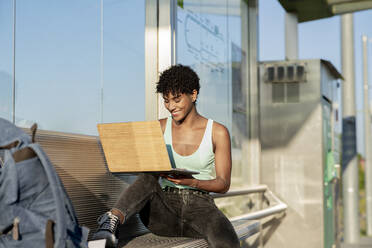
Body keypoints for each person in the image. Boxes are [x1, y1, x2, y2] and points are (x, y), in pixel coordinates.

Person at [92, 64, 240, 248]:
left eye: (176, 99)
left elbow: (223, 184)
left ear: (193, 95)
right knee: (149, 176)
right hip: (163, 212)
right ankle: (110, 224)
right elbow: (139, 164)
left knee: (228, 242)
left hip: (201, 208)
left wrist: (192, 182)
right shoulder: (159, 128)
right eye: (166, 100)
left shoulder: (217, 132)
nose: (171, 106)